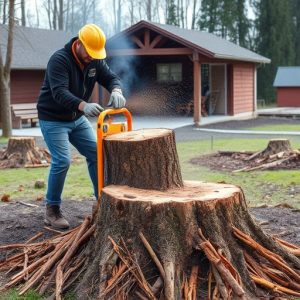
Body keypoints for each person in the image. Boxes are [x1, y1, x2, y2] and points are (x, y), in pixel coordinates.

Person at [37, 24, 126, 229]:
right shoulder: (59, 60)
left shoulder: (95, 60)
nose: (91, 57)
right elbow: (59, 92)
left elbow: (111, 78)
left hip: (76, 118)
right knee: (62, 161)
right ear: (79, 44)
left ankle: (101, 203)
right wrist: (83, 105)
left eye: (96, 54)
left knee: (96, 153)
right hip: (53, 118)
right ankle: (52, 210)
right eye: (89, 52)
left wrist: (117, 91)